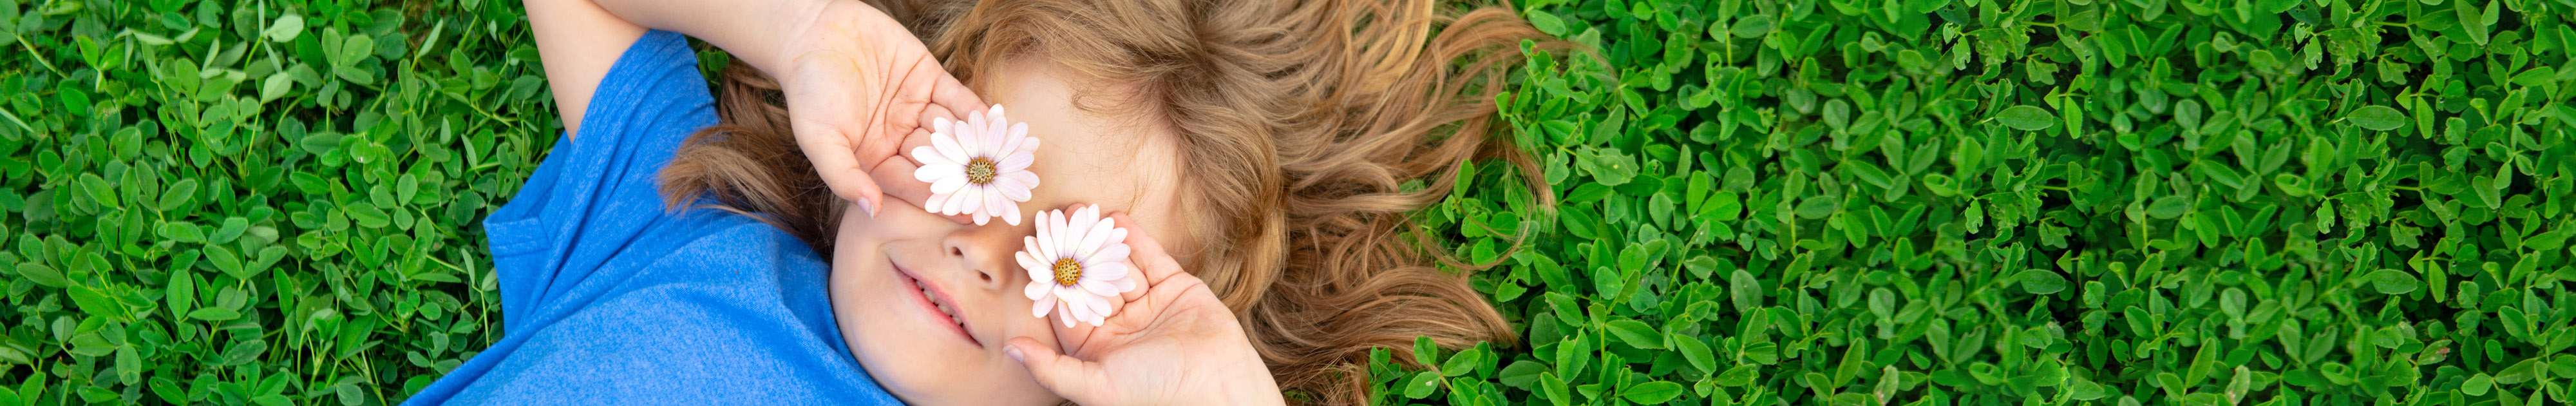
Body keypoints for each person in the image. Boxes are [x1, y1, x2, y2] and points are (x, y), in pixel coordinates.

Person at [407, 0, 1560, 403]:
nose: (987, 253)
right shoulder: (686, 225)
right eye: (977, 164)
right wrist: (802, 29)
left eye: (1082, 264)